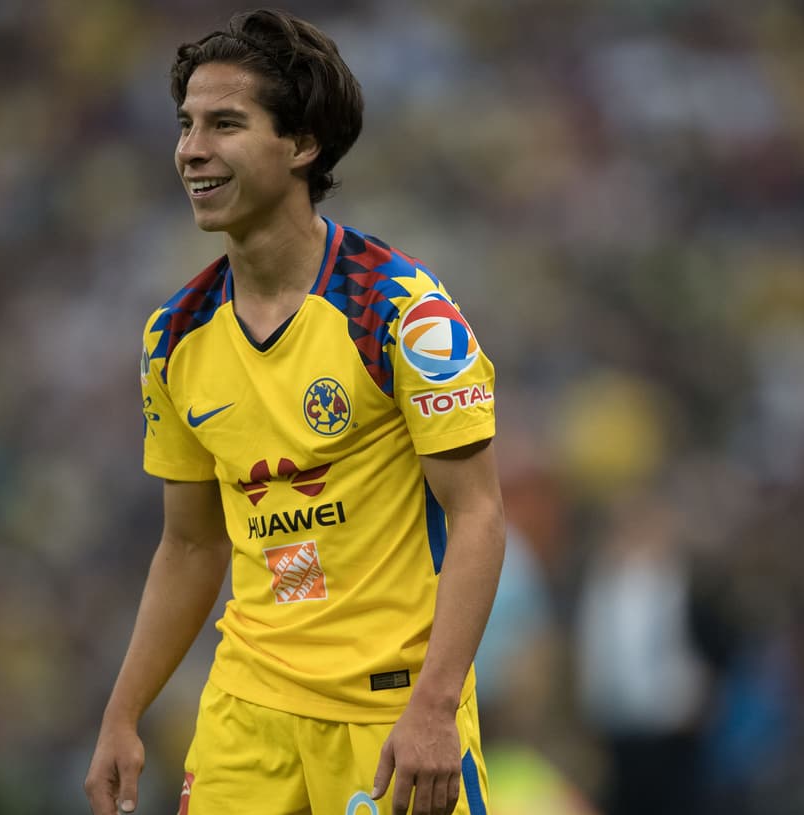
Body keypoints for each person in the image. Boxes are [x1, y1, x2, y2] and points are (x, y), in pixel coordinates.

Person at [84, 9, 505, 815]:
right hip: (248, 709)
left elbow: (479, 516)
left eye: (225, 124)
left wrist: (433, 705)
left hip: (389, 713)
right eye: (186, 124)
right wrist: (122, 712)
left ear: (302, 144)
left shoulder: (401, 310)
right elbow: (190, 540)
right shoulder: (173, 337)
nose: (191, 149)